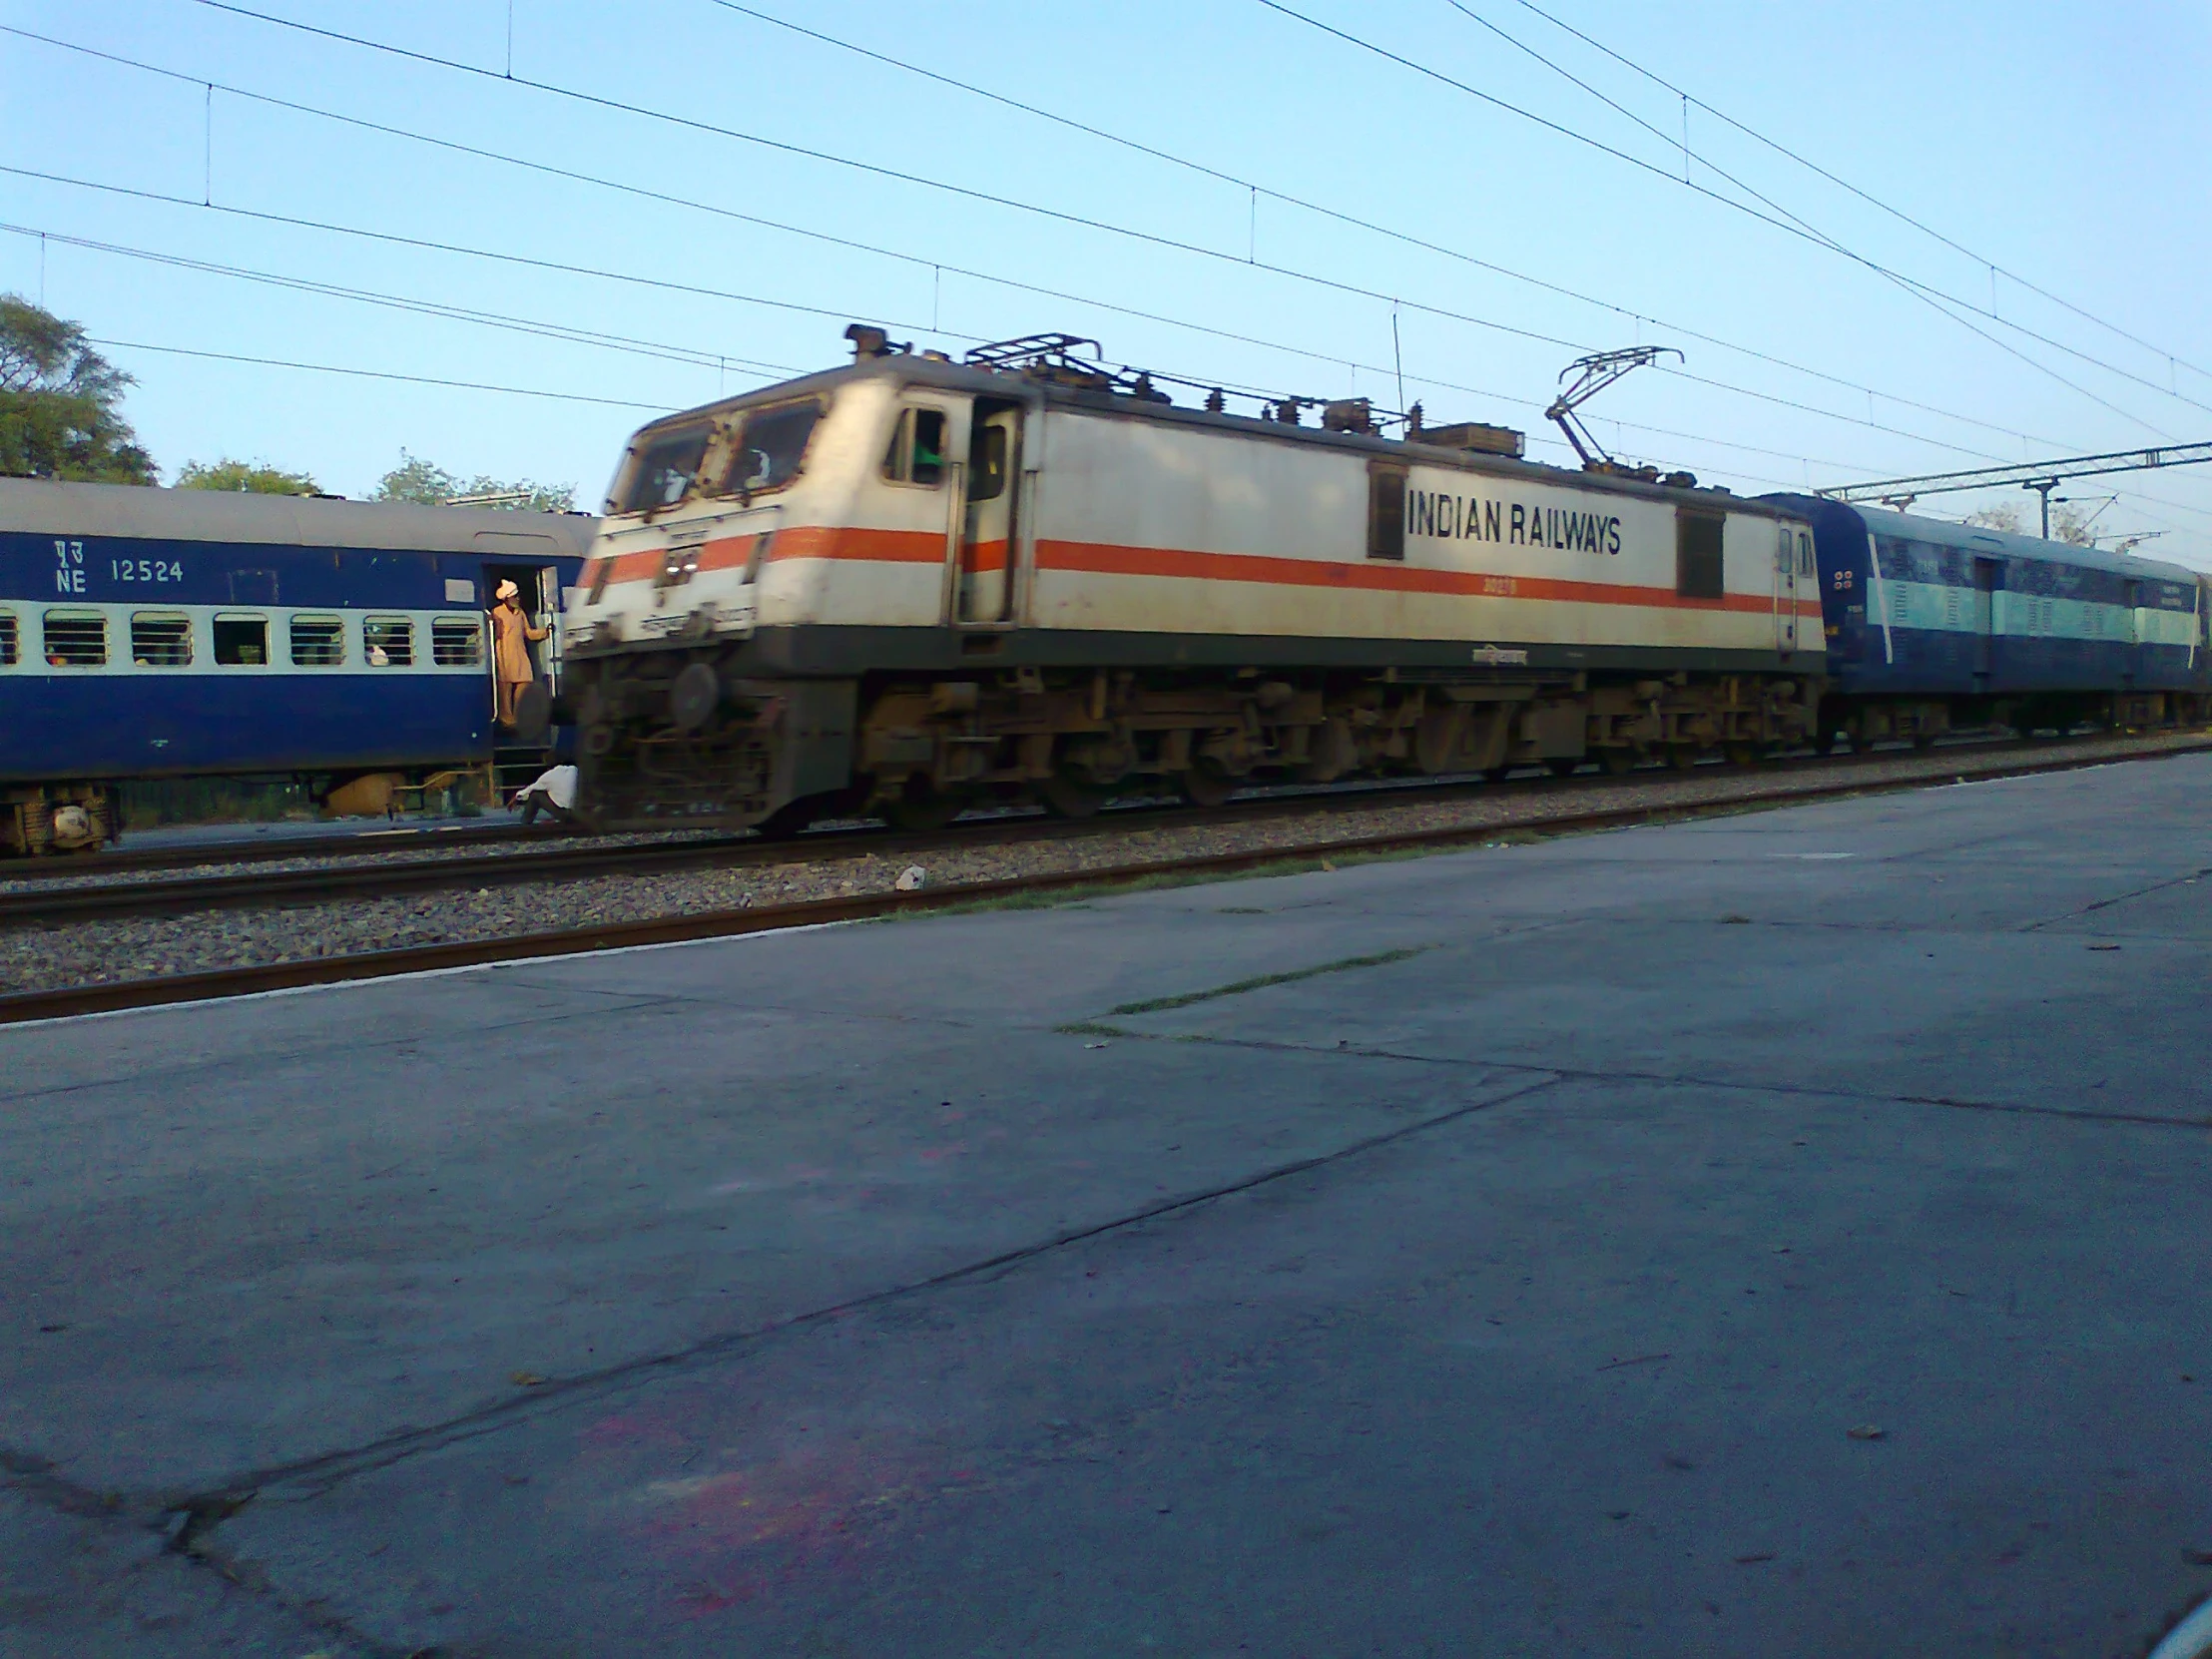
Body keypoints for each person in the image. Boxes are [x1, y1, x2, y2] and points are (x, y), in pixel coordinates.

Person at [490, 578, 550, 726]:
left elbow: (527, 633)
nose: (518, 599)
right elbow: (494, 634)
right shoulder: (497, 613)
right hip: (504, 653)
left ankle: (518, 715)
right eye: (515, 596)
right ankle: (506, 717)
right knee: (505, 686)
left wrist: (544, 633)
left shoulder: (520, 613)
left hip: (520, 653)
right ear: (507, 598)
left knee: (524, 684)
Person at [512, 763, 579, 827]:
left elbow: (529, 789)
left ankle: (525, 824)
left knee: (535, 795)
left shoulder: (551, 775)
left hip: (565, 814)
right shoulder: (578, 772)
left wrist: (514, 799)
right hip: (581, 815)